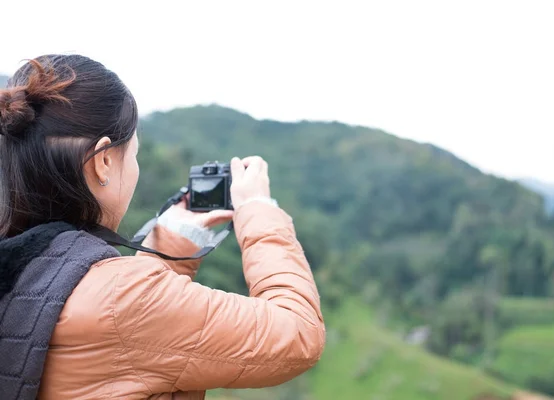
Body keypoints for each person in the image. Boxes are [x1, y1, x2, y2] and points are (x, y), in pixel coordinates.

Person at [0, 55, 325, 400]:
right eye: (134, 155)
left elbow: (115, 333)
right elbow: (298, 334)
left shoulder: (22, 267)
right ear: (103, 161)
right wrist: (259, 211)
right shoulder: (120, 298)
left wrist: (174, 243)